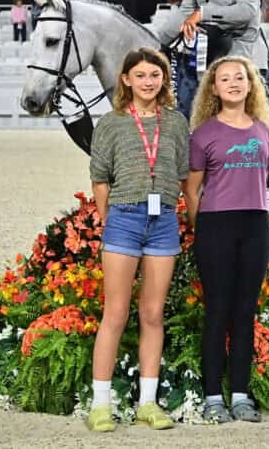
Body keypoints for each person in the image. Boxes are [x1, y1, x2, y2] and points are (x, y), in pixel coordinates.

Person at [86, 48, 189, 432]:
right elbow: (100, 178)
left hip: (162, 221)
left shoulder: (176, 123)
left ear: (164, 80)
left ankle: (147, 402)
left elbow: (181, 175)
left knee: (152, 314)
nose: (149, 81)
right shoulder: (111, 123)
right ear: (126, 79)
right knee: (115, 313)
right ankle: (100, 404)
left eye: (155, 75)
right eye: (141, 75)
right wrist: (109, 219)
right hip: (123, 221)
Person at [186, 55, 269, 424]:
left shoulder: (264, 131)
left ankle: (240, 395)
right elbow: (192, 191)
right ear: (215, 88)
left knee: (245, 313)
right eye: (226, 79)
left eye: (240, 77)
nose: (234, 83)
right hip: (216, 226)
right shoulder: (203, 134)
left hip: (255, 225)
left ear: (251, 84)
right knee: (218, 312)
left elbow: (263, 177)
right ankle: (212, 398)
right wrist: (202, 229)